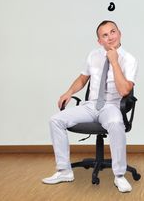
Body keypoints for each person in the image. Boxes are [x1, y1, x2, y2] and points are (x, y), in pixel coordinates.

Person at [42, 20, 138, 193]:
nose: (110, 38)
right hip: (91, 106)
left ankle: (119, 175)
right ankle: (64, 171)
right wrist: (68, 92)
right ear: (99, 41)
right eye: (105, 35)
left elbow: (125, 90)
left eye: (113, 32)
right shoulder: (93, 55)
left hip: (111, 106)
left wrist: (114, 62)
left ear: (120, 33)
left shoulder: (129, 60)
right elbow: (82, 79)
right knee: (55, 120)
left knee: (116, 124)